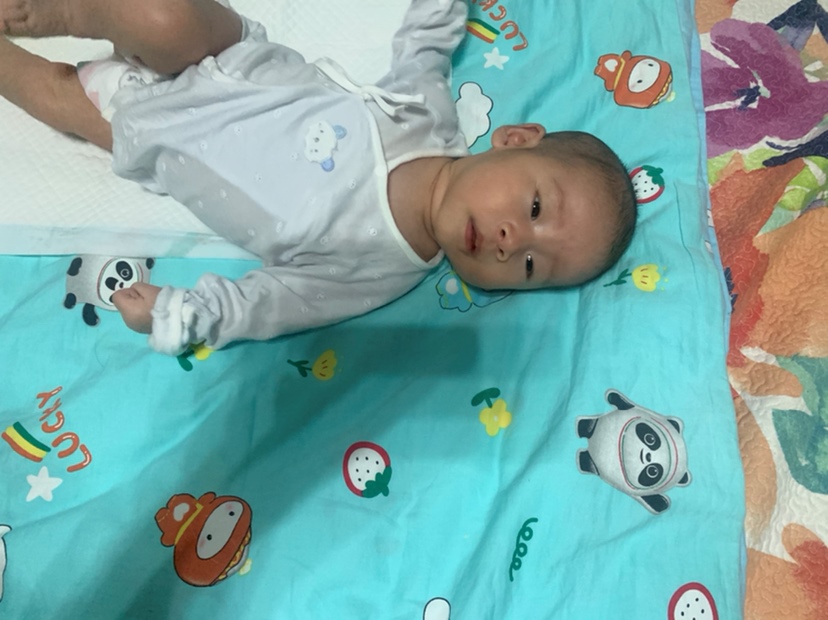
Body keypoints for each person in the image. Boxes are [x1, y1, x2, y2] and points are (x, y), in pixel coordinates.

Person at [0, 0, 637, 355]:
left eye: (530, 266)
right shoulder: (428, 119)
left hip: (157, 135)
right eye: (533, 208)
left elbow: (269, 306)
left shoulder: (379, 271)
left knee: (52, 94)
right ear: (514, 139)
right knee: (162, 17)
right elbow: (423, 46)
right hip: (224, 58)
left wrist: (180, 311)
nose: (509, 241)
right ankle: (68, 10)